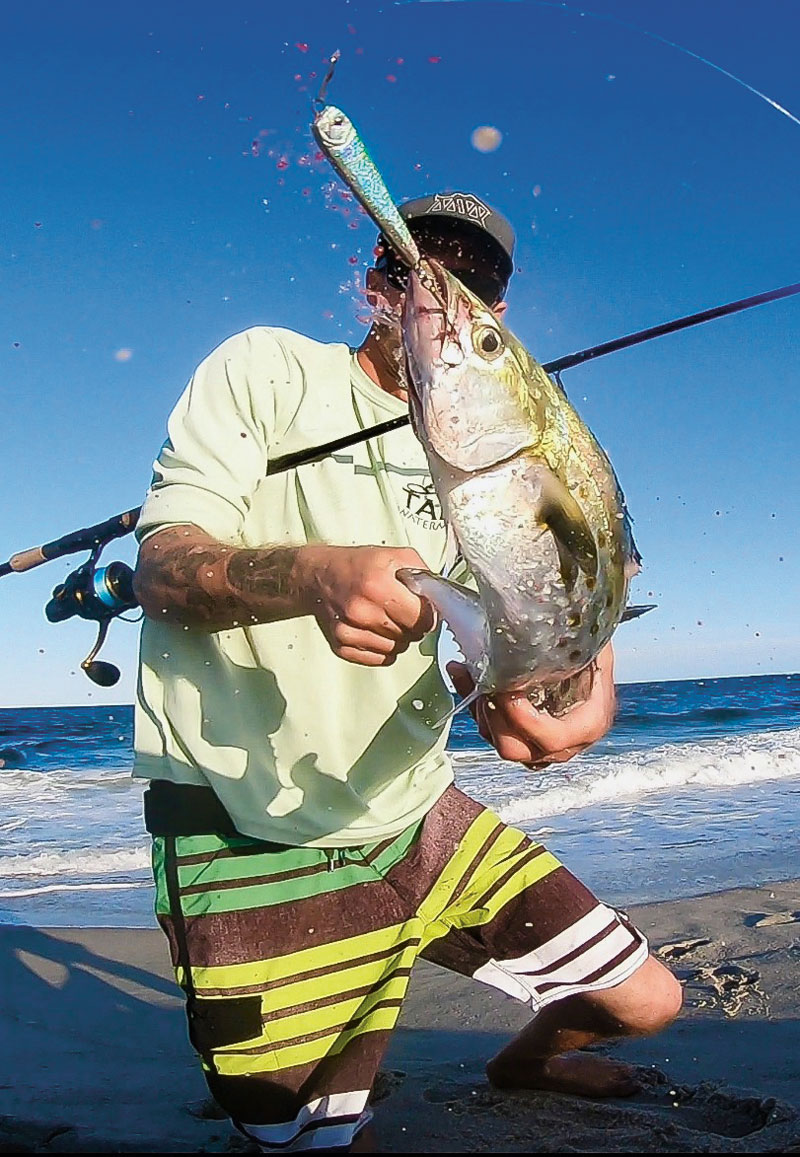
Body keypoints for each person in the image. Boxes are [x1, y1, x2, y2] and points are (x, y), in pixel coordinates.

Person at [132, 192, 682, 1154]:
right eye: (409, 262)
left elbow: (550, 589)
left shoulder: (501, 439)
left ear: (498, 315)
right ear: (375, 283)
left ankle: (525, 1059)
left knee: (647, 999)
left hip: (417, 805)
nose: (437, 288)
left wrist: (580, 681)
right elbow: (165, 567)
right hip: (247, 827)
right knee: (316, 1141)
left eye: (474, 279)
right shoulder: (268, 368)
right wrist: (312, 573)